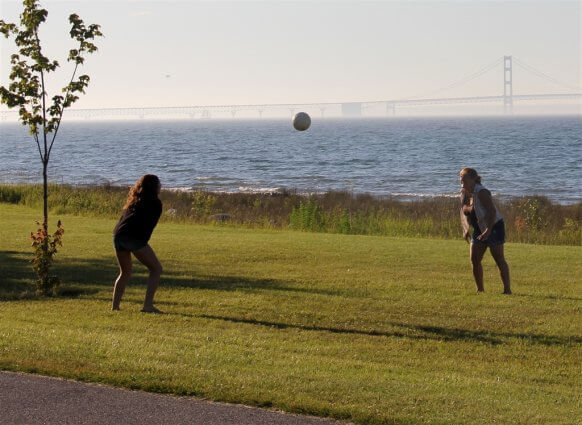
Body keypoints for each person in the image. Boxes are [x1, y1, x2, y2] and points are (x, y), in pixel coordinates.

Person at [112, 174, 163, 312]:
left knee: (125, 272)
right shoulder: (156, 203)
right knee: (156, 269)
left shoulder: (134, 201)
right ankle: (148, 305)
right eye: (159, 184)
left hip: (118, 235)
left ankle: (115, 307)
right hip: (134, 238)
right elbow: (148, 226)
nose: (161, 186)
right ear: (154, 187)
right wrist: (142, 244)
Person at [459, 168, 511, 294]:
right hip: (478, 227)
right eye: (460, 178)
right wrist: (465, 229)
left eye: (464, 178)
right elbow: (463, 211)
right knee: (474, 259)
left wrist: (488, 230)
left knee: (499, 259)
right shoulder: (464, 192)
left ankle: (507, 290)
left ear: (473, 179)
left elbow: (492, 212)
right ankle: (480, 290)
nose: (461, 181)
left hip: (494, 225)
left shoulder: (482, 192)